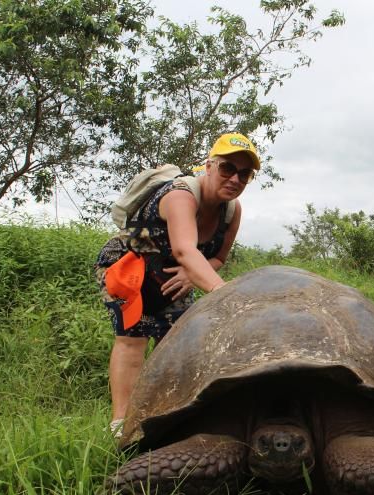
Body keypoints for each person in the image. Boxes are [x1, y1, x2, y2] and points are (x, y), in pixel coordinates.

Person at [94, 132, 260, 436]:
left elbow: (218, 258)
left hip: (171, 275)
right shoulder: (181, 195)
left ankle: (171, 414)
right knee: (134, 339)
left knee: (183, 341)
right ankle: (121, 425)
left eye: (244, 174)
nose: (235, 179)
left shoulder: (231, 211)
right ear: (209, 166)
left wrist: (189, 274)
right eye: (227, 168)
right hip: (130, 265)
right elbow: (185, 250)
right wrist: (224, 295)